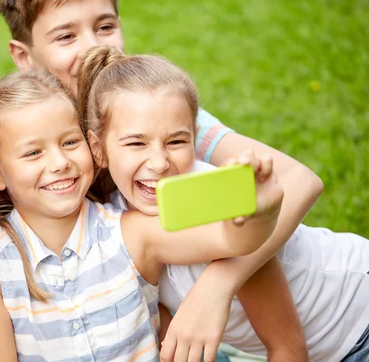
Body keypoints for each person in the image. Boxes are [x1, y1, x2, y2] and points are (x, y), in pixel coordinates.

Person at [0, 0, 322, 359]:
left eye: (104, 26)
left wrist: (218, 285)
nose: (91, 46)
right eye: (66, 35)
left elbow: (299, 181)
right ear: (24, 56)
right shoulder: (45, 157)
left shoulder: (158, 114)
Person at [0, 68, 284, 361]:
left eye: (70, 142)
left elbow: (232, 240)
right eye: (33, 152)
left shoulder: (129, 232)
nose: (59, 162)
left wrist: (259, 208)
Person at [79, 45, 369, 362]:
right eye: (136, 143)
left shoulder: (221, 213)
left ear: (195, 136)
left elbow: (287, 348)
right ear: (99, 149)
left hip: (357, 321)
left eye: (176, 141)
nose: (159, 163)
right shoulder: (118, 220)